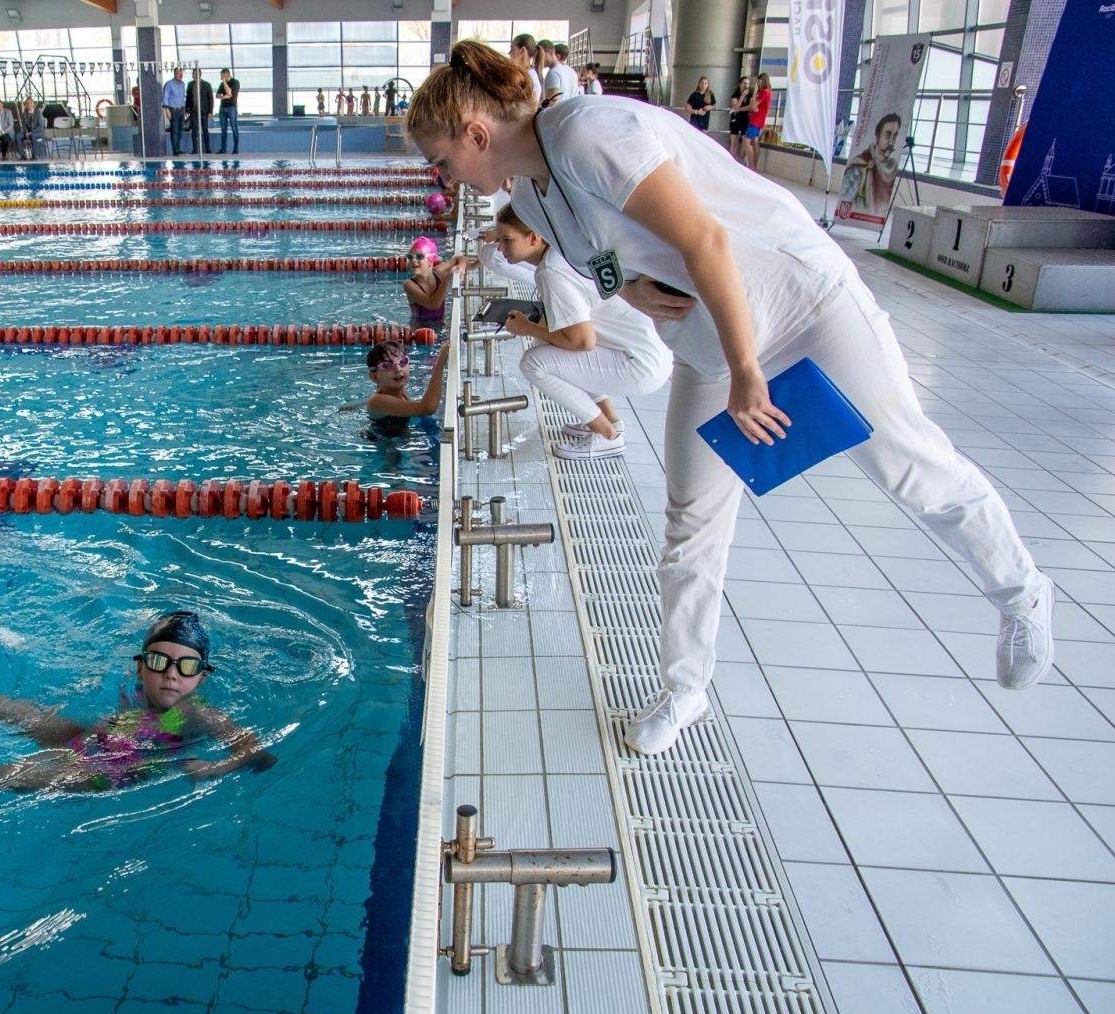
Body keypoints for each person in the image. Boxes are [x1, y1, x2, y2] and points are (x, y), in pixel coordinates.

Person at [407, 41, 1054, 757]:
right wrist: (632, 289)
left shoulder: (587, 133)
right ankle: (684, 691)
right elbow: (610, 262)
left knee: (908, 463)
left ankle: (1022, 593)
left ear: (476, 134)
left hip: (799, 305)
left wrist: (749, 371)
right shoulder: (531, 193)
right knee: (692, 519)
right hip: (708, 336)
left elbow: (706, 239)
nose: (444, 175)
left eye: (442, 159)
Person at [0, 611, 277, 794]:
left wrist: (215, 768)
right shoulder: (138, 692)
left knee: (6, 774)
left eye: (186, 666)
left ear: (202, 676)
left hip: (108, 771)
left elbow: (259, 755)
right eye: (160, 661)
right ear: (140, 668)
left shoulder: (199, 714)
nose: (171, 673)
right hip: (92, 737)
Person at [488, 203, 672, 460]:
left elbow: (582, 341)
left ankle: (607, 435)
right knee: (542, 347)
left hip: (640, 366)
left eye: (506, 240)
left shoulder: (552, 271)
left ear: (534, 236)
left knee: (534, 363)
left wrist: (527, 327)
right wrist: (534, 327)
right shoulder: (567, 251)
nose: (500, 248)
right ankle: (609, 418)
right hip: (650, 351)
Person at [359, 336, 451, 439]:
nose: (398, 369)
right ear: (374, 377)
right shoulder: (378, 400)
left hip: (399, 434)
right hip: (383, 442)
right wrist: (440, 364)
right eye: (386, 366)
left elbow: (418, 407)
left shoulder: (401, 390)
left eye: (402, 362)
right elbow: (427, 408)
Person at [843, 112, 903, 217]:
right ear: (877, 137)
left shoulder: (891, 168)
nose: (891, 143)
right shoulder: (860, 167)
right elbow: (845, 200)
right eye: (888, 135)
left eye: (894, 136)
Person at [402, 236, 466, 331]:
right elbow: (432, 305)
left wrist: (461, 268)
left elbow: (460, 258)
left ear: (431, 261)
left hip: (440, 323)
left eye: (419, 256)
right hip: (420, 331)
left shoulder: (439, 272)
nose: (413, 260)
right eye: (410, 257)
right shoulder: (409, 284)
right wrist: (446, 279)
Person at [744, 72, 772, 169]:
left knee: (746, 141)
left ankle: (752, 165)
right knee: (755, 141)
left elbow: (753, 105)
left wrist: (755, 91)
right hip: (756, 119)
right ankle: (753, 164)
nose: (758, 84)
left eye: (759, 82)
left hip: (757, 120)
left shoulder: (765, 92)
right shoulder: (766, 92)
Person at [508, 34, 543, 104]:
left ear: (523, 50)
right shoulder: (524, 74)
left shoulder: (530, 77)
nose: (509, 53)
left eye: (512, 49)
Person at [185, 66, 213, 153]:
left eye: (197, 73)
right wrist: (187, 109)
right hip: (193, 111)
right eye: (194, 73)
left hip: (204, 111)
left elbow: (210, 99)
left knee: (205, 130)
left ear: (200, 74)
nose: (195, 75)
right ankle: (195, 149)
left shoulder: (207, 85)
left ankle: (207, 148)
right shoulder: (190, 84)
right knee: (194, 130)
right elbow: (188, 98)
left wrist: (210, 111)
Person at [161, 67, 187, 154]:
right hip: (173, 110)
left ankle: (178, 148)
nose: (180, 74)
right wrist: (166, 110)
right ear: (174, 74)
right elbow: (165, 97)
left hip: (181, 109)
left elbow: (182, 98)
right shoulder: (169, 84)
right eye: (178, 73)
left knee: (181, 130)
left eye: (181, 73)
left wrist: (185, 109)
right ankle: (175, 150)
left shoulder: (183, 84)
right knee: (174, 130)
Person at [727, 76, 752, 162]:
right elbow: (735, 106)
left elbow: (750, 107)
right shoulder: (735, 95)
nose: (746, 85)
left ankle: (742, 160)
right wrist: (742, 96)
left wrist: (740, 109)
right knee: (734, 142)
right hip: (736, 119)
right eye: (744, 83)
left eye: (748, 83)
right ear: (740, 84)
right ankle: (731, 160)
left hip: (745, 119)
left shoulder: (750, 95)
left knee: (746, 141)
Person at [216, 68, 240, 154]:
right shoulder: (221, 84)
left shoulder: (235, 82)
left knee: (234, 128)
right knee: (223, 129)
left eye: (222, 76)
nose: (221, 78)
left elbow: (229, 92)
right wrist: (224, 97)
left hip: (232, 108)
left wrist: (224, 82)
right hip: (222, 108)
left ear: (227, 75)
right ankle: (223, 148)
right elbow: (217, 95)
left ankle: (235, 148)